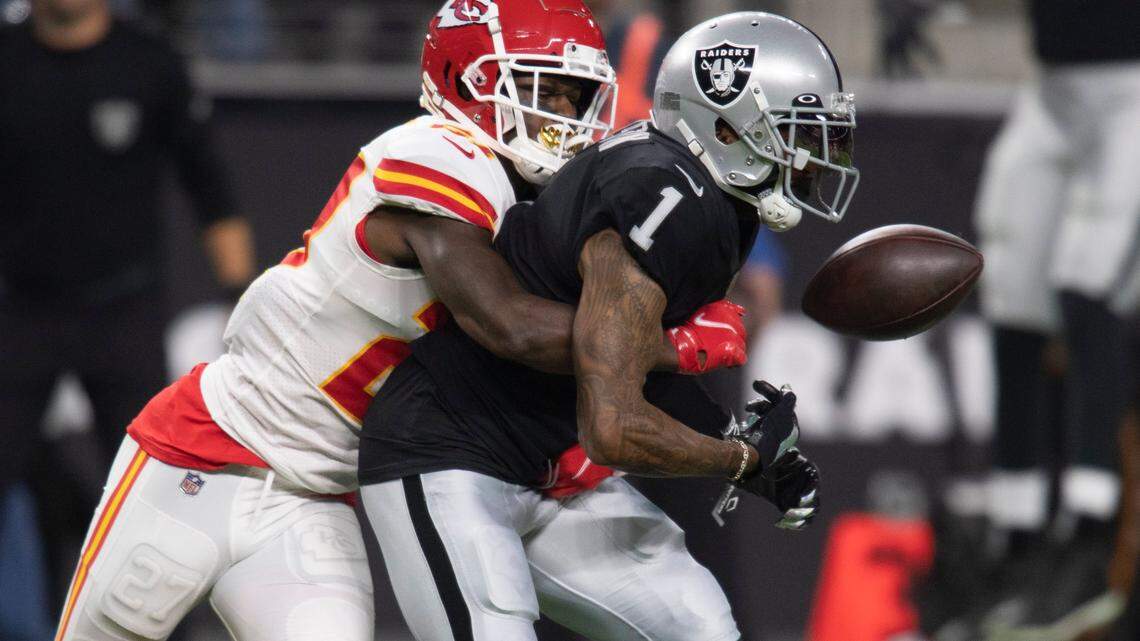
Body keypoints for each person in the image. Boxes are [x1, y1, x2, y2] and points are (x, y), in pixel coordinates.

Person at [48, 1, 752, 639]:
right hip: (203, 451)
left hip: (316, 496)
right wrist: (676, 346)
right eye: (543, 90)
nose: (563, 115)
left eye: (577, 95)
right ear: (466, 82)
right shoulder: (438, 154)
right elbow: (508, 324)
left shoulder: (553, 200)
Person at [358, 11, 859, 640]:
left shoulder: (712, 200)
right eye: (797, 131)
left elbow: (619, 358)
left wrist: (737, 438)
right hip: (449, 453)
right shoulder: (663, 193)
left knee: (700, 627)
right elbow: (614, 425)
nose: (815, 155)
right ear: (729, 125)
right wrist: (736, 458)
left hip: (548, 468)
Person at [0, 0, 254, 610]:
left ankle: (163, 625)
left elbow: (211, 189)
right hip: (17, 313)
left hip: (122, 313)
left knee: (158, 488)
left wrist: (243, 306)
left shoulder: (150, 62)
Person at [964, 0, 1140, 636]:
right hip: (1052, 90)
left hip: (1133, 90)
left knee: (1087, 281)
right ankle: (1019, 539)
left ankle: (1092, 535)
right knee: (1011, 287)